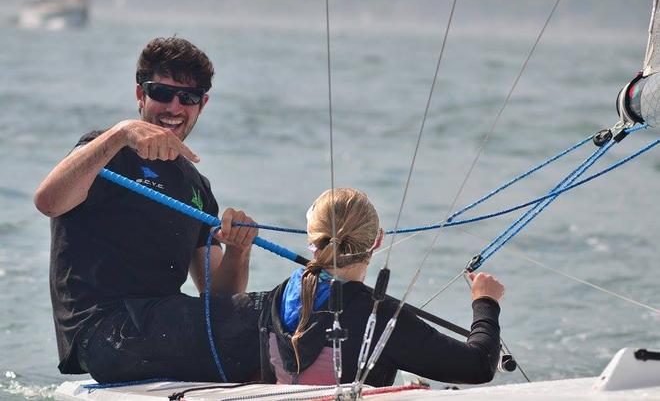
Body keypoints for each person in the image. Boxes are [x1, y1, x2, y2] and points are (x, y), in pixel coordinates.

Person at [34, 37, 264, 383]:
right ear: (140, 95)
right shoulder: (103, 152)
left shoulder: (197, 187)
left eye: (187, 98)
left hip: (161, 331)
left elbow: (219, 297)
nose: (174, 107)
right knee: (266, 318)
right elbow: (48, 201)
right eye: (161, 93)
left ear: (202, 104)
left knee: (261, 318)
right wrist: (121, 133)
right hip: (102, 332)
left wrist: (238, 250)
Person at [259, 188, 504, 386]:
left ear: (311, 240)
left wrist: (237, 252)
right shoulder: (382, 318)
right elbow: (479, 365)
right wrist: (486, 302)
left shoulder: (274, 300)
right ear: (377, 240)